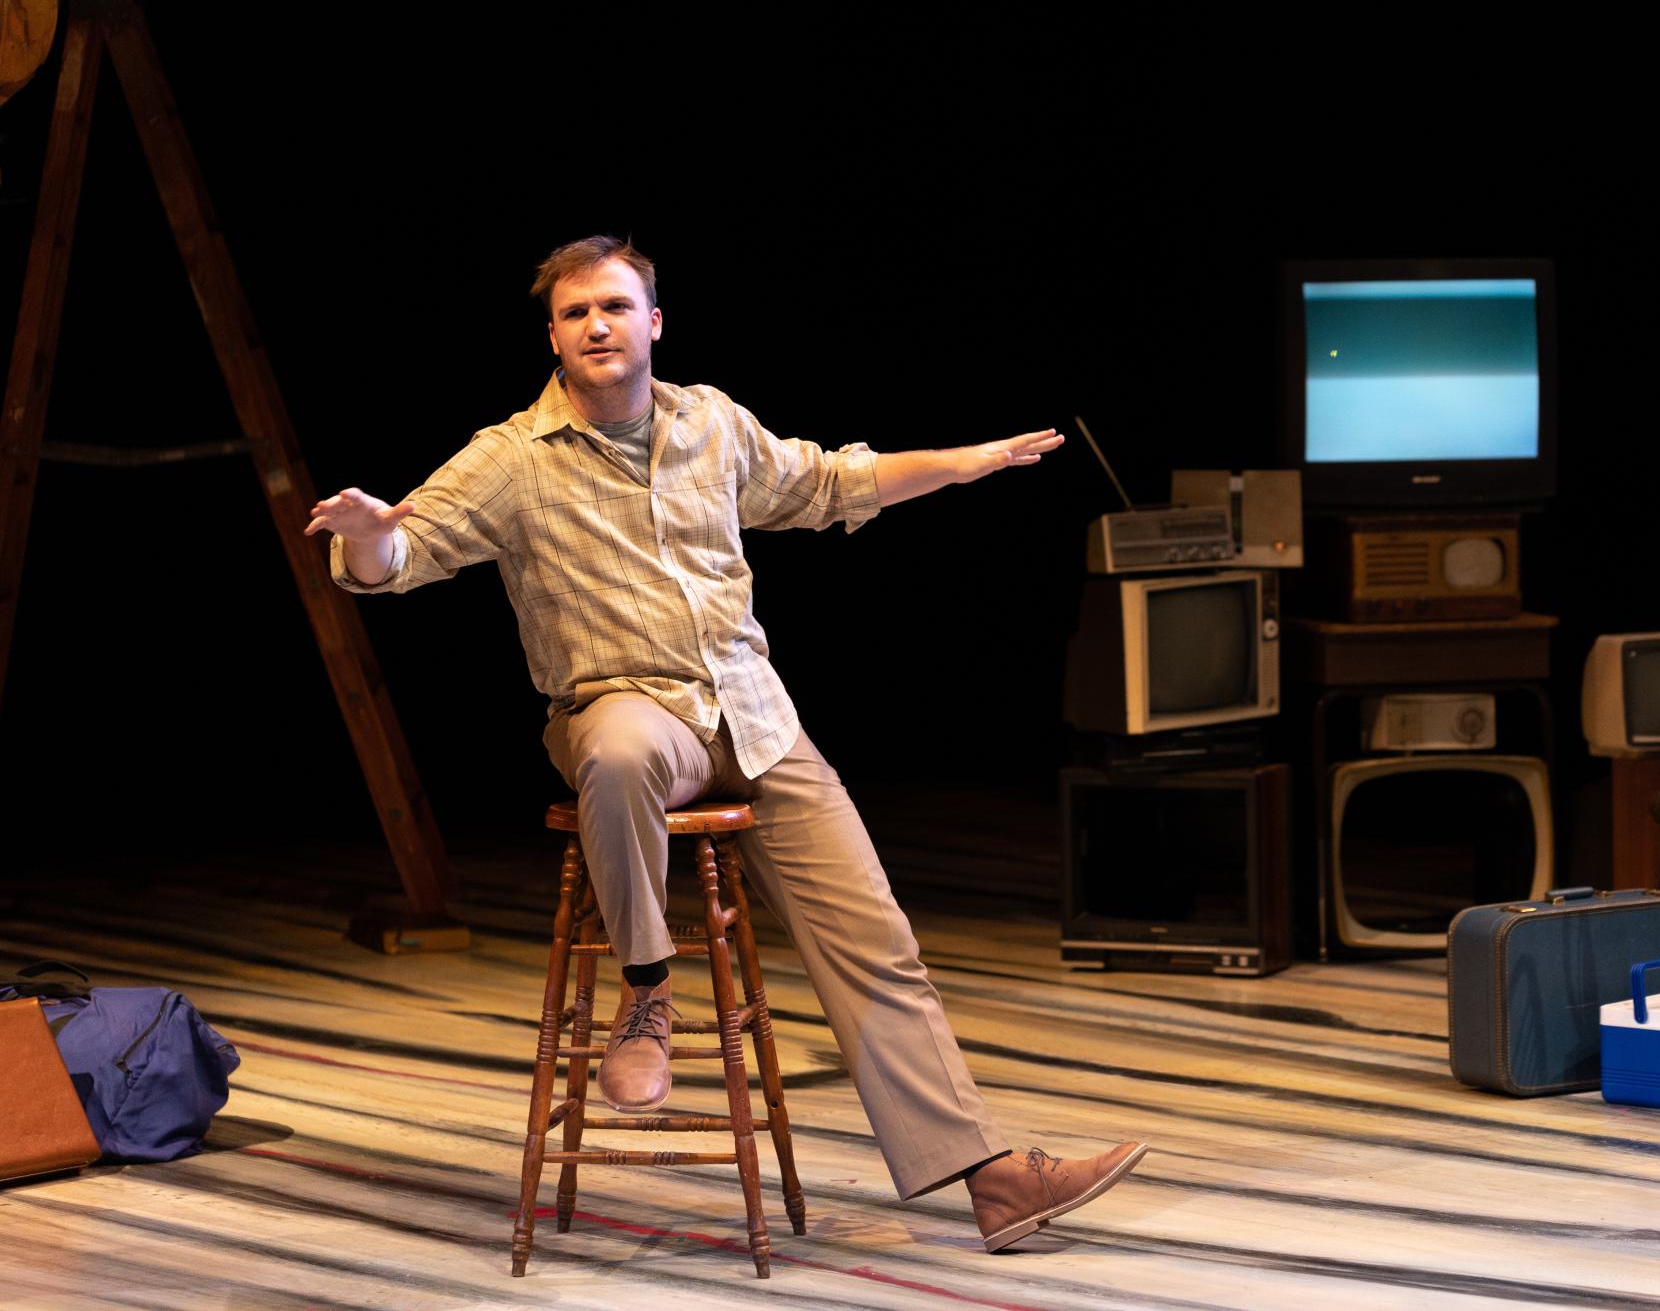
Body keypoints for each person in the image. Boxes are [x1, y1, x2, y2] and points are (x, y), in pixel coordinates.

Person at [303, 235, 1145, 1252]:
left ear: (653, 321)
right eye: (576, 315)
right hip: (623, 706)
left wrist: (966, 465)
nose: (597, 326)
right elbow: (402, 553)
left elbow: (830, 483)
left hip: (752, 714)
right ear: (555, 339)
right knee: (616, 751)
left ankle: (989, 1177)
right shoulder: (512, 460)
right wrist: (363, 532)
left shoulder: (710, 423)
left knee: (876, 943)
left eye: (615, 306)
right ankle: (646, 991)